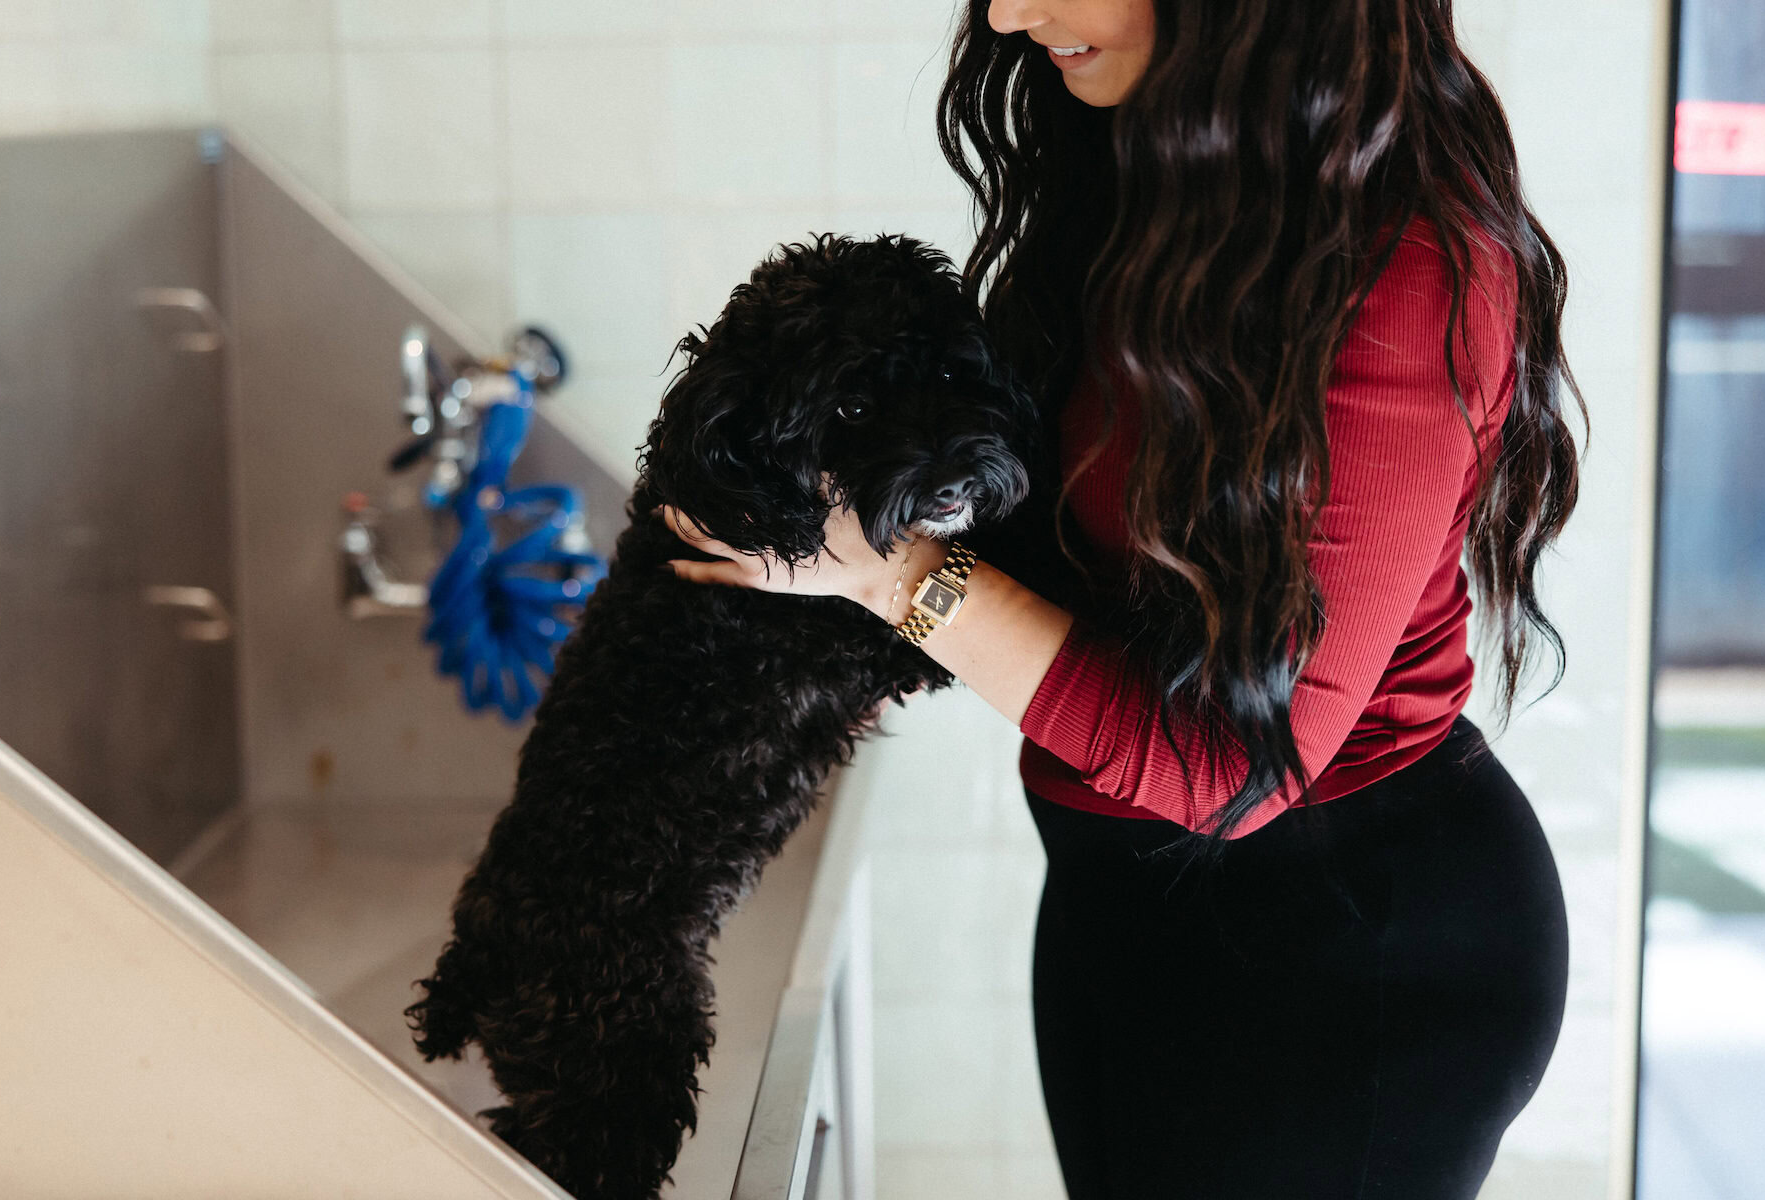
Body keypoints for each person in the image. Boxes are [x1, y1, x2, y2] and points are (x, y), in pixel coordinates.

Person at [659, 0, 1581, 1196]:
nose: (1008, 11)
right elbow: (1067, 544)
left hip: (1346, 957)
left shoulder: (1406, 268)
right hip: (1121, 910)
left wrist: (894, 577)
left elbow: (1228, 762)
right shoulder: (1168, 169)